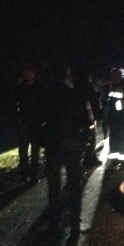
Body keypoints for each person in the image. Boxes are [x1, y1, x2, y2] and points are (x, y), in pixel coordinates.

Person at [41, 62, 95, 237]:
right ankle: (74, 223)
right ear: (67, 75)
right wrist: (84, 143)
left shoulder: (45, 96)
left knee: (54, 186)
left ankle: (54, 221)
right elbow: (89, 121)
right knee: (73, 184)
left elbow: (37, 121)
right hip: (72, 146)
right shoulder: (76, 95)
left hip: (53, 145)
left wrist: (44, 141)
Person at [12, 63, 46, 184]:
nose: (28, 75)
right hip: (24, 123)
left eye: (30, 72)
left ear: (34, 73)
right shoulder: (19, 88)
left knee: (35, 149)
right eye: (25, 73)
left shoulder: (39, 87)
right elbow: (14, 103)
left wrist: (43, 119)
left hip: (36, 122)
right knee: (23, 150)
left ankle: (34, 174)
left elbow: (43, 104)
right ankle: (24, 175)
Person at [104, 67, 124, 157]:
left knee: (123, 137)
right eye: (112, 76)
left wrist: (112, 95)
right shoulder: (112, 86)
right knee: (113, 137)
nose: (113, 78)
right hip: (113, 117)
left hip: (122, 117)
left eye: (115, 75)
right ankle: (114, 153)